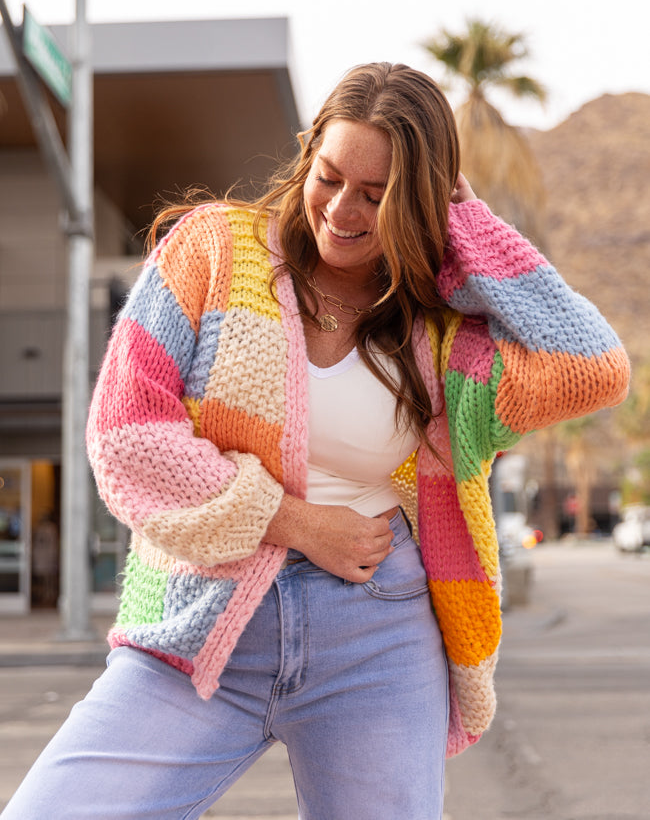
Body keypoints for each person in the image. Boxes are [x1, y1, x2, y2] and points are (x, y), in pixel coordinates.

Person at [2, 62, 630, 820]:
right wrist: (297, 523)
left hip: (378, 635)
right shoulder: (213, 251)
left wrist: (471, 231)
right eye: (330, 176)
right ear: (307, 152)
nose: (342, 210)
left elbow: (593, 365)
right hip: (201, 616)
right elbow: (126, 435)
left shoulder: (442, 337)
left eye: (379, 195)